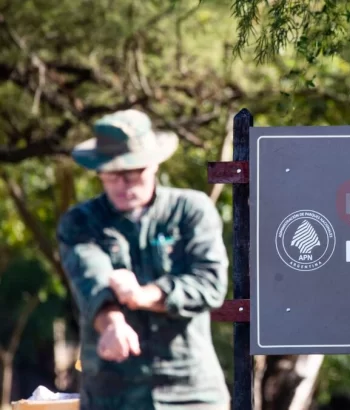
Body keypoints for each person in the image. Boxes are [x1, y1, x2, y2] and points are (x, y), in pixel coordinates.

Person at [56, 109, 231, 409]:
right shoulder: (81, 222)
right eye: (112, 175)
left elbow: (210, 284)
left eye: (132, 172)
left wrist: (144, 295)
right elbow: (91, 279)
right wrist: (112, 323)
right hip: (114, 394)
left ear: (154, 165)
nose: (123, 185)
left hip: (190, 390)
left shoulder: (191, 211)